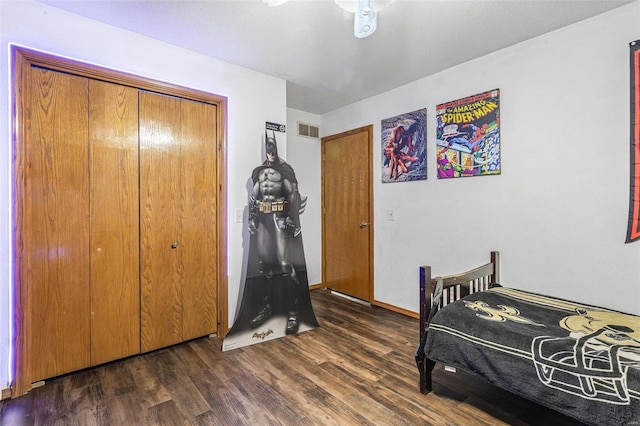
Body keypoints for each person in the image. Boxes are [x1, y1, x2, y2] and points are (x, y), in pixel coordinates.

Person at [246, 132, 310, 335]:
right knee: (264, 263)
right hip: (264, 220)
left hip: (280, 219)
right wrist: (252, 218)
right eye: (267, 146)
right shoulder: (258, 171)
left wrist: (292, 218)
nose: (270, 149)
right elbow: (254, 197)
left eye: (272, 145)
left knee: (285, 264)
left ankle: (293, 312)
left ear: (276, 147)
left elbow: (293, 194)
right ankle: (268, 307)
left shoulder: (285, 170)